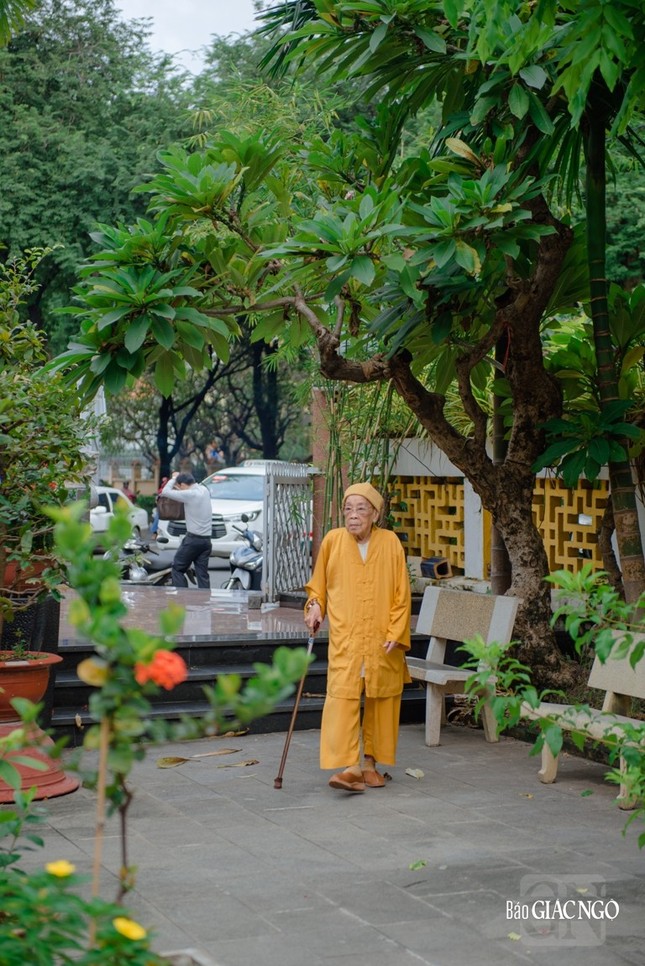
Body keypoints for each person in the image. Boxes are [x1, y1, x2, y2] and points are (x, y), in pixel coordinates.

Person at [304, 482, 411, 794]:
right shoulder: (333, 541)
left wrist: (396, 631)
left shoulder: (391, 543)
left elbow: (401, 594)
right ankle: (349, 766)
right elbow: (317, 588)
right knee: (343, 697)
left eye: (360, 509)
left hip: (381, 639)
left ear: (375, 513)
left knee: (380, 700)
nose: (353, 516)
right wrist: (314, 608)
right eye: (348, 509)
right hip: (347, 638)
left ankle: (370, 763)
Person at [160, 472, 212, 589]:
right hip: (206, 542)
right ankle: (206, 602)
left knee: (177, 569)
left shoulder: (190, 494)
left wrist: (173, 478)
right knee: (202, 574)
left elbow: (165, 492)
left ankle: (183, 597)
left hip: (193, 541)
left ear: (183, 484)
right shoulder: (204, 491)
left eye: (180, 486)